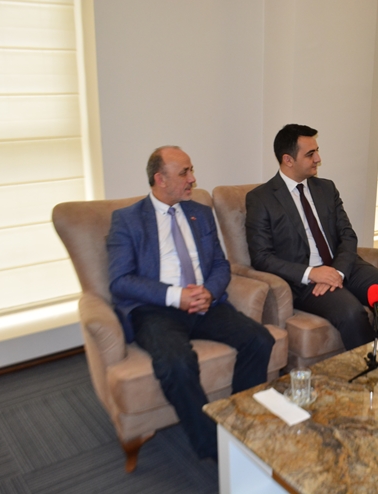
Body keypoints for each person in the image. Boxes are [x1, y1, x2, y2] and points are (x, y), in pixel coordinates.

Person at [107, 146, 275, 460]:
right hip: (157, 310)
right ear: (160, 179)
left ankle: (240, 422)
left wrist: (209, 291)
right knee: (177, 363)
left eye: (191, 170)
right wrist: (176, 295)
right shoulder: (127, 220)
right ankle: (214, 447)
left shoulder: (200, 212)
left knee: (259, 339)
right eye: (184, 172)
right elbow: (120, 280)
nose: (192, 179)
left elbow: (220, 264)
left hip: (206, 304)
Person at [245, 124, 378, 350]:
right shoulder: (261, 199)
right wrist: (312, 273)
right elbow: (261, 257)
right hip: (305, 281)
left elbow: (347, 235)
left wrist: (338, 272)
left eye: (317, 151)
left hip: (343, 266)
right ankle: (369, 365)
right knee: (351, 313)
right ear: (288, 159)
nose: (318, 159)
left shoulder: (326, 188)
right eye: (310, 154)